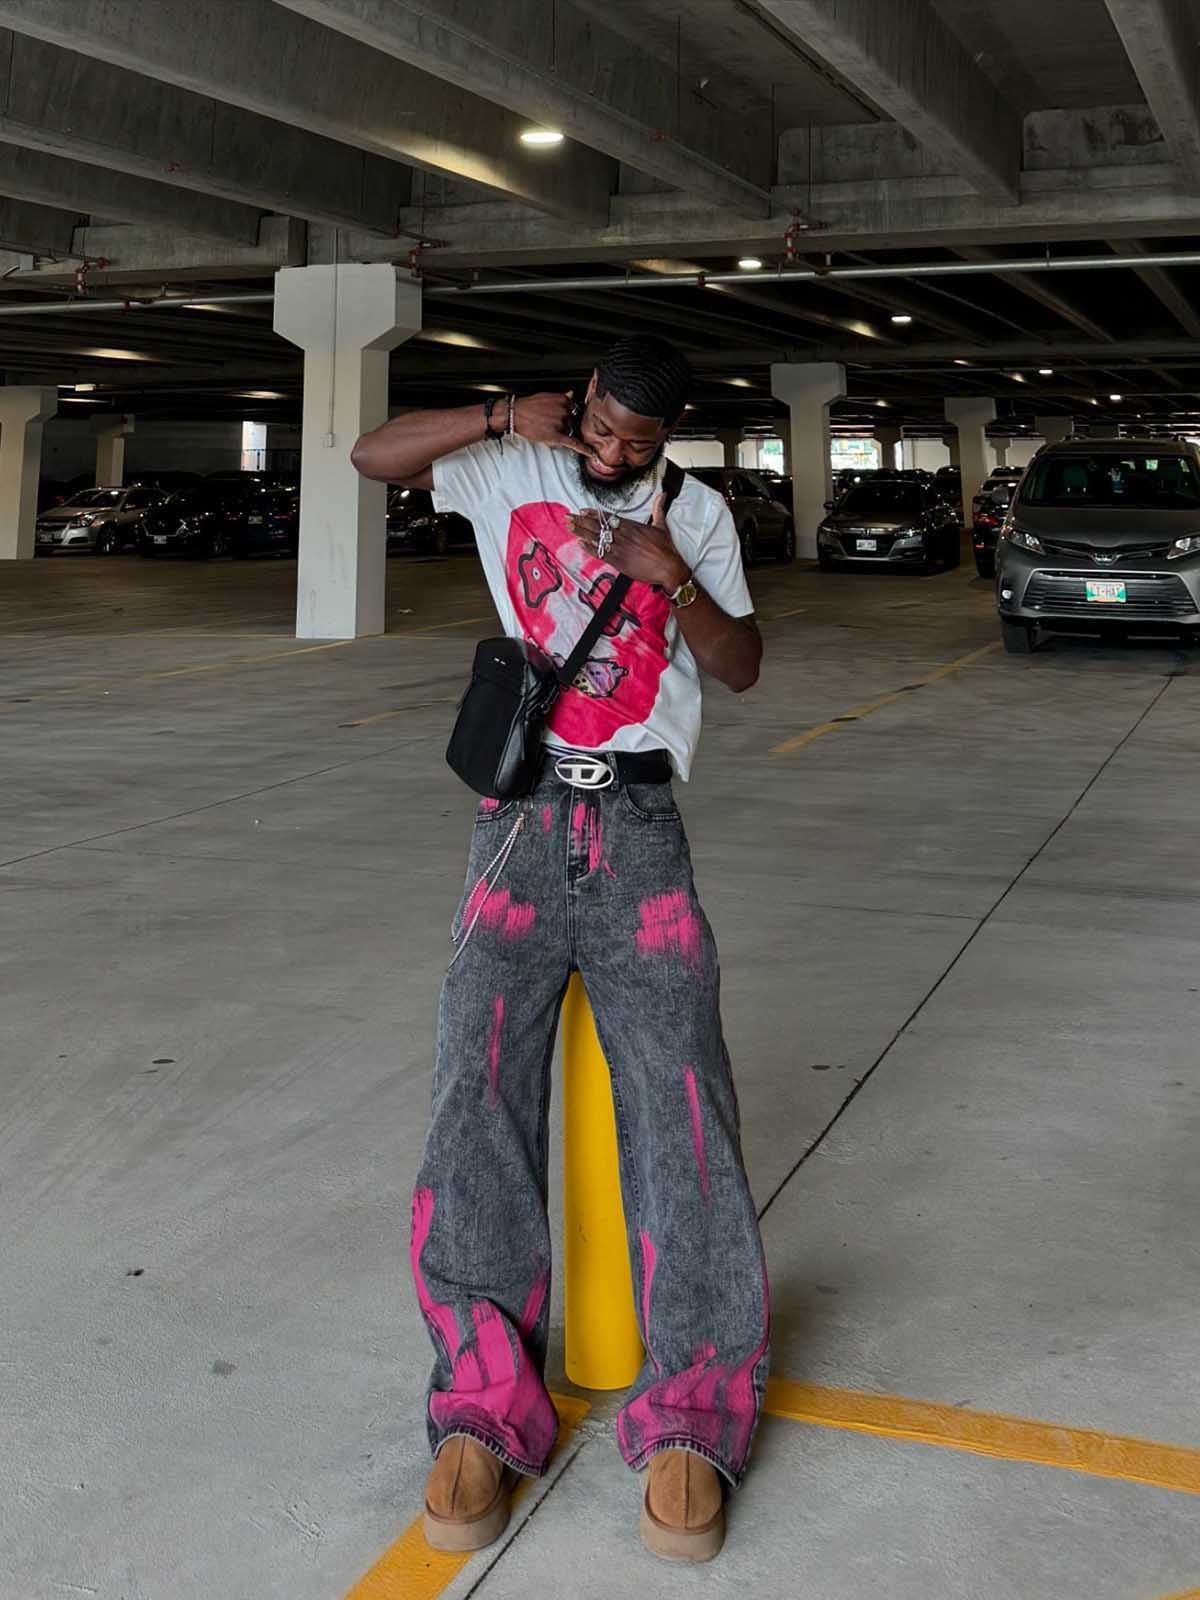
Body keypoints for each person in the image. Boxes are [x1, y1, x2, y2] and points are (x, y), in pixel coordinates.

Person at [352, 334, 770, 1564]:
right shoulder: (514, 464)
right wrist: (496, 415)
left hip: (639, 832)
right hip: (517, 826)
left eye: (635, 443)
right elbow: (372, 456)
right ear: (578, 400)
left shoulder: (695, 514)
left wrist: (670, 577)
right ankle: (480, 1404)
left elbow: (743, 667)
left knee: (683, 1110)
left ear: (666, 439)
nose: (610, 453)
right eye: (598, 427)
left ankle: (693, 1415)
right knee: (473, 1100)